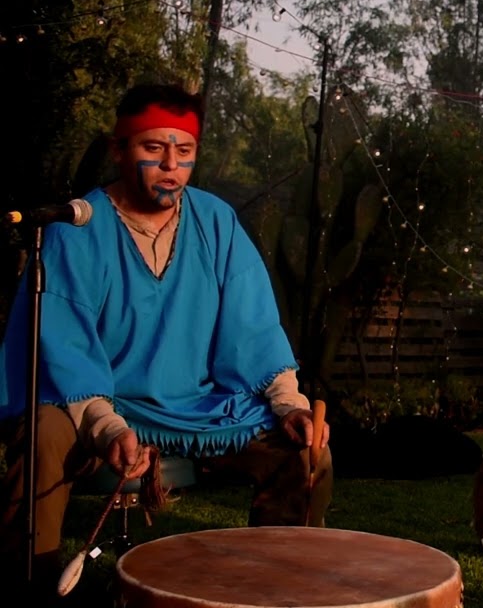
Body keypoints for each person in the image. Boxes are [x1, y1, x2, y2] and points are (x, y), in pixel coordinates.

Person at [0, 84, 332, 595]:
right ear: (119, 150)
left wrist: (289, 404)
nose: (170, 166)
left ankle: (278, 591)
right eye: (152, 149)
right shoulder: (76, 227)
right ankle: (30, 584)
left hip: (194, 406)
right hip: (93, 405)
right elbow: (64, 346)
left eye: (184, 152)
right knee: (44, 434)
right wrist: (108, 428)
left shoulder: (217, 221)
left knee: (303, 450)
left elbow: (254, 327)